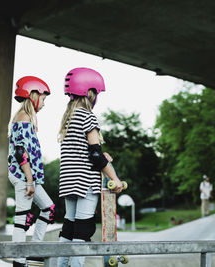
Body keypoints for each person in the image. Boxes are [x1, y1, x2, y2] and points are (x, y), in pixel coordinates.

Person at [57, 67, 123, 267]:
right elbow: (94, 155)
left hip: (69, 181)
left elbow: (82, 151)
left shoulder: (68, 118)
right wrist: (115, 178)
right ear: (90, 93)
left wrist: (101, 154)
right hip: (85, 182)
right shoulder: (88, 116)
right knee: (83, 230)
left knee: (69, 227)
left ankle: (60, 265)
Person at [8, 76, 55, 267]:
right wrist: (29, 180)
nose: (44, 103)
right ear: (33, 95)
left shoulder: (26, 118)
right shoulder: (24, 118)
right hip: (23, 176)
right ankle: (19, 261)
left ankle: (35, 250)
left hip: (29, 177)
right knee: (22, 217)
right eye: (43, 98)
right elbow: (21, 153)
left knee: (48, 208)